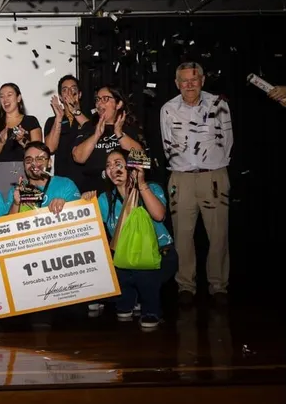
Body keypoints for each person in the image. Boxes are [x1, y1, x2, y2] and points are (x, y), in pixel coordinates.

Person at [160, 61, 233, 306]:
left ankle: (218, 285)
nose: (189, 84)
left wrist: (213, 164)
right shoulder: (168, 109)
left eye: (194, 79)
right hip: (181, 179)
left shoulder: (219, 104)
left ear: (202, 80)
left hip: (214, 176)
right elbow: (166, 143)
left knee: (218, 234)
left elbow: (228, 140)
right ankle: (185, 286)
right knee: (182, 234)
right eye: (184, 80)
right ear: (177, 83)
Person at [82, 149, 178, 329]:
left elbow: (159, 215)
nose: (113, 169)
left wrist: (140, 183)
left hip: (157, 258)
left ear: (130, 166)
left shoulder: (151, 188)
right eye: (109, 165)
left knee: (142, 273)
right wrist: (83, 202)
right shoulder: (105, 199)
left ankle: (151, 309)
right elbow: (84, 226)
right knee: (122, 311)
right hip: (125, 260)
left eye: (118, 163)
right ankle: (130, 297)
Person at [72, 85, 144, 194]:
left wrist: (119, 134)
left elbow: (141, 161)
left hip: (124, 194)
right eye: (97, 100)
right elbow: (78, 157)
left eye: (105, 99)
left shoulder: (130, 127)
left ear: (118, 104)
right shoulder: (88, 127)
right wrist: (96, 135)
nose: (99, 104)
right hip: (93, 194)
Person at [0, 83, 43, 199]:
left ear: (18, 98)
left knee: (26, 211)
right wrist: (1, 142)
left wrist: (23, 141)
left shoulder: (31, 121)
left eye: (9, 95)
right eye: (1, 96)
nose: (5, 99)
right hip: (0, 175)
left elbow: (39, 153)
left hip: (26, 173)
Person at [6, 142, 81, 215]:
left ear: (49, 162)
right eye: (29, 160)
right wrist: (16, 204)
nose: (34, 164)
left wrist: (66, 205)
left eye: (39, 159)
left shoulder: (65, 184)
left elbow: (81, 217)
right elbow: (7, 224)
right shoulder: (16, 191)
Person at [44, 75, 90, 188]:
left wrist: (76, 111)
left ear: (79, 94)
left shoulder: (91, 117)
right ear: (60, 97)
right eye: (65, 90)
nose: (69, 93)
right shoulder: (52, 121)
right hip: (63, 181)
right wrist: (59, 118)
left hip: (88, 180)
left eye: (73, 89)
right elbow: (50, 148)